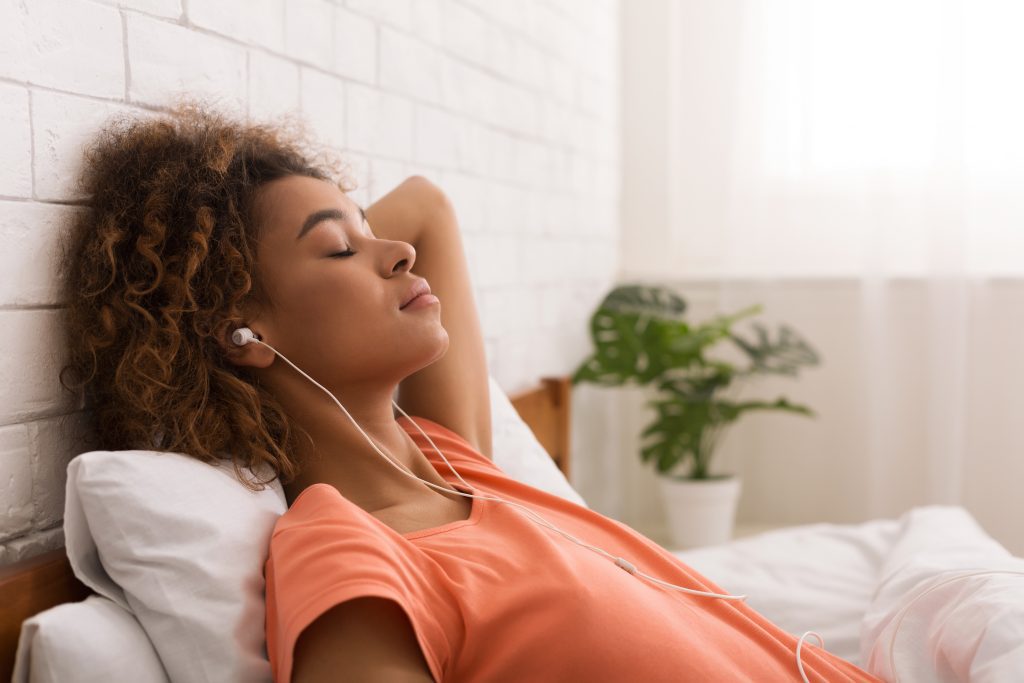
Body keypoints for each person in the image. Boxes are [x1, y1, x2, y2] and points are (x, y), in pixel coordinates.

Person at [58, 99, 882, 682]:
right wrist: (215, 296)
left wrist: (324, 244)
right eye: (341, 249)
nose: (398, 253)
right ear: (244, 333)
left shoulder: (450, 459)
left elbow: (426, 208)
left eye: (369, 235)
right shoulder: (351, 555)